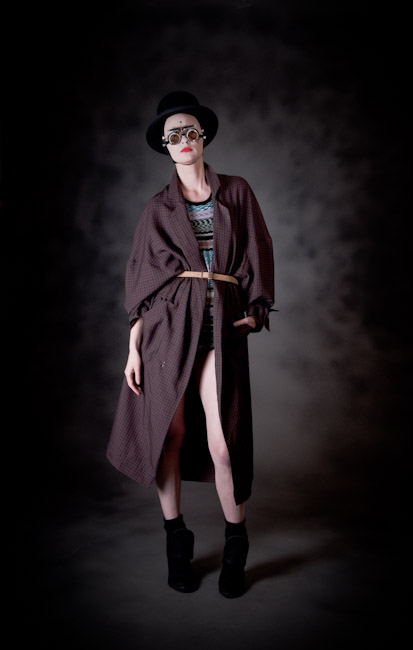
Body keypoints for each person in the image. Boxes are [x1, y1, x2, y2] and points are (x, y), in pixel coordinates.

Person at [107, 91, 275, 598]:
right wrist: (132, 350)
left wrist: (256, 310)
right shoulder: (157, 208)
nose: (183, 140)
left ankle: (236, 543)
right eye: (173, 135)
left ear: (203, 137)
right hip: (167, 332)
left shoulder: (237, 191)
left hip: (219, 331)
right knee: (170, 435)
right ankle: (176, 538)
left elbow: (259, 250)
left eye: (190, 131)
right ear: (164, 145)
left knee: (224, 444)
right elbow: (141, 283)